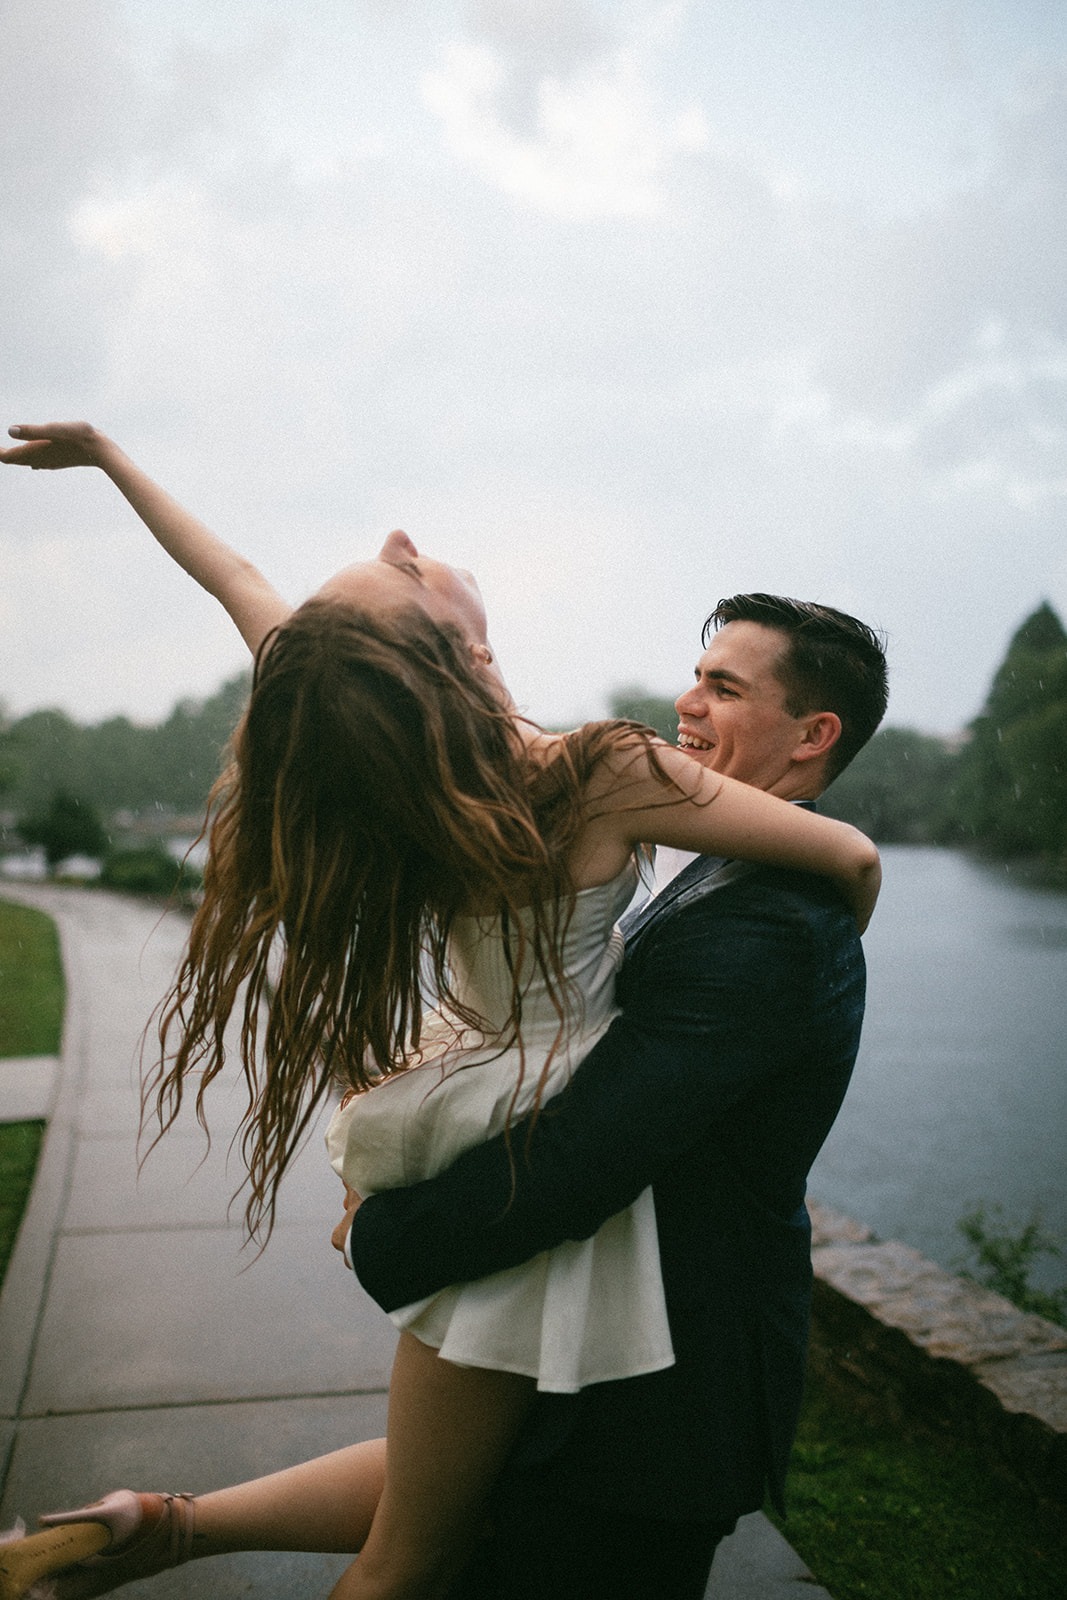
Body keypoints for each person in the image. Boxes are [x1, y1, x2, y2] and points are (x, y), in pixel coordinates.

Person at [0, 422, 880, 1600]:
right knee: (414, 1551)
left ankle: (152, 1526)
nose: (404, 540)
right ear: (451, 648)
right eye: (402, 570)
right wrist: (854, 910)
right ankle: (163, 1530)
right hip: (536, 1123)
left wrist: (114, 460)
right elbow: (853, 855)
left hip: (455, 1092)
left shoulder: (411, 757)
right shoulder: (599, 773)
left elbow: (237, 583)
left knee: (452, 1480)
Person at [340, 590, 890, 1599]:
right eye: (696, 672)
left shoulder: (767, 923)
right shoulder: (720, 871)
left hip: (655, 1414)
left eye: (721, 686)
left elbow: (581, 1157)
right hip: (592, 1366)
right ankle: (159, 1529)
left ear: (813, 734)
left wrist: (388, 1234)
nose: (685, 700)